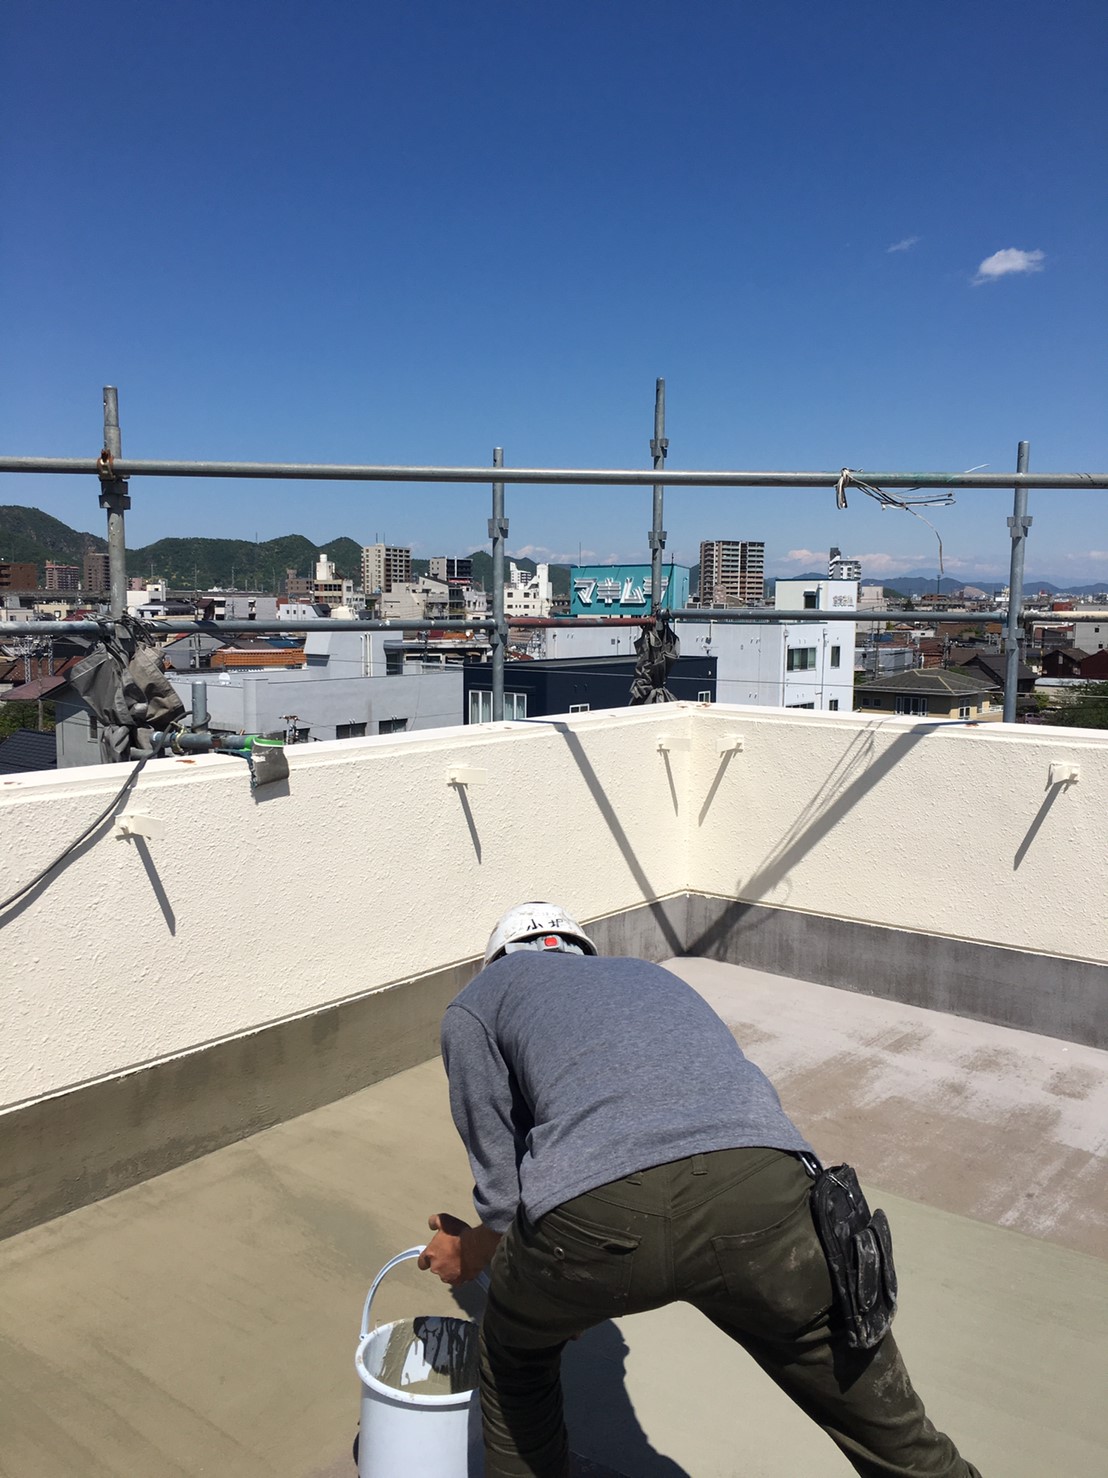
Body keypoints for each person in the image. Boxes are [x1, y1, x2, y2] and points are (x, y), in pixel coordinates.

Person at [419, 902, 981, 1478]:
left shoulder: (479, 1002)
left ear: (497, 961)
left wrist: (473, 1254)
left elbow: (506, 1205)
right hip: (767, 1188)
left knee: (513, 1355)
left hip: (600, 1215)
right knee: (896, 1437)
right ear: (581, 950)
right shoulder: (647, 974)